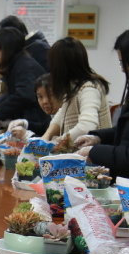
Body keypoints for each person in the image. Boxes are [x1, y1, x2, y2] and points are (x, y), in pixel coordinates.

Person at [75, 30, 129, 176]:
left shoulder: (89, 88)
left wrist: (95, 152)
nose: (123, 70)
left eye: (123, 63)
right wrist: (97, 137)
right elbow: (123, 132)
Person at [41, 37, 111, 142]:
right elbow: (61, 114)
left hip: (92, 150)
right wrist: (46, 137)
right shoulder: (72, 86)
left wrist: (59, 141)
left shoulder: (89, 89)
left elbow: (86, 127)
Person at [0, 27, 50, 135]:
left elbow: (25, 95)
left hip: (36, 125)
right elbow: (12, 94)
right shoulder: (17, 62)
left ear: (3, 48)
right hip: (30, 122)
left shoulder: (24, 65)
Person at [7, 74, 61, 139]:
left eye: (49, 95)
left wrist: (27, 135)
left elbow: (50, 142)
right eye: (40, 97)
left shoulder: (66, 118)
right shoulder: (52, 116)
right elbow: (43, 128)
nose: (44, 101)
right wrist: (24, 124)